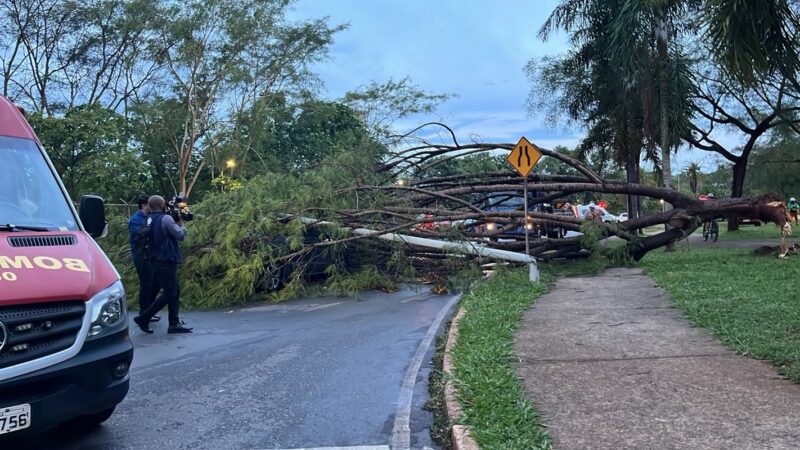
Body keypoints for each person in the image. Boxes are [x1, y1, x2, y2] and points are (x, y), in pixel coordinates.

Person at [133, 195, 193, 334]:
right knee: (170, 292)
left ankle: (174, 323)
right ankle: (144, 317)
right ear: (162, 205)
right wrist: (181, 223)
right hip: (166, 259)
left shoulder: (148, 219)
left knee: (174, 290)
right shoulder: (165, 218)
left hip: (154, 259)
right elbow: (180, 235)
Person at [128, 195, 159, 322]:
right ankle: (143, 312)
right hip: (141, 256)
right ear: (144, 205)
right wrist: (150, 228)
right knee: (146, 284)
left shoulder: (149, 218)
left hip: (151, 255)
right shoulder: (135, 220)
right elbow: (137, 235)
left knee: (155, 283)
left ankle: (149, 311)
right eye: (149, 205)